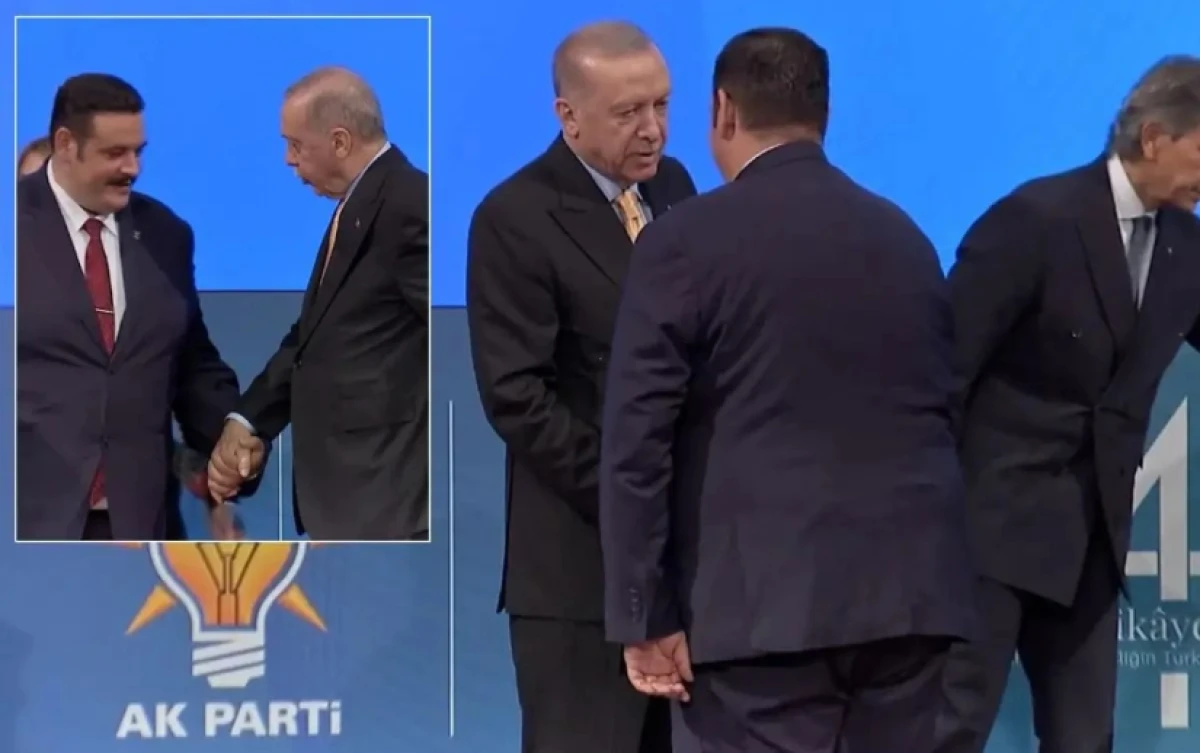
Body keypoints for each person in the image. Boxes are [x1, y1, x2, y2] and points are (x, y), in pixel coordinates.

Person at [599, 28, 974, 753]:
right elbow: (943, 410)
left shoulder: (684, 241)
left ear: (723, 111)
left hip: (758, 622)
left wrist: (645, 615)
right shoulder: (906, 239)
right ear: (822, 114)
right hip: (909, 609)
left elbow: (637, 443)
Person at [935, 56, 1200, 753]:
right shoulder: (1035, 219)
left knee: (1086, 739)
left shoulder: (1187, 246)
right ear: (1154, 138)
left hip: (1091, 539)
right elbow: (945, 371)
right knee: (951, 729)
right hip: (986, 531)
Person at [466, 21, 697, 753]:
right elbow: (517, 397)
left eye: (661, 104)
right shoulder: (514, 217)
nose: (653, 128)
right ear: (568, 116)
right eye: (629, 112)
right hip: (578, 576)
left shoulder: (675, 187)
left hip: (684, 570)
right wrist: (633, 495)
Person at [16, 73, 261, 540]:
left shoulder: (166, 235)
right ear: (66, 144)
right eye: (115, 153)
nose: (133, 168)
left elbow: (191, 363)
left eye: (138, 151)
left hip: (140, 528)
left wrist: (234, 437)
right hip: (27, 531)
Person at [210, 66, 429, 541]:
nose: (288, 160)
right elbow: (313, 340)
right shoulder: (361, 205)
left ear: (340, 142)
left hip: (384, 497)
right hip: (349, 500)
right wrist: (249, 420)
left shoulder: (409, 204)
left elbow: (455, 339)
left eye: (296, 145)